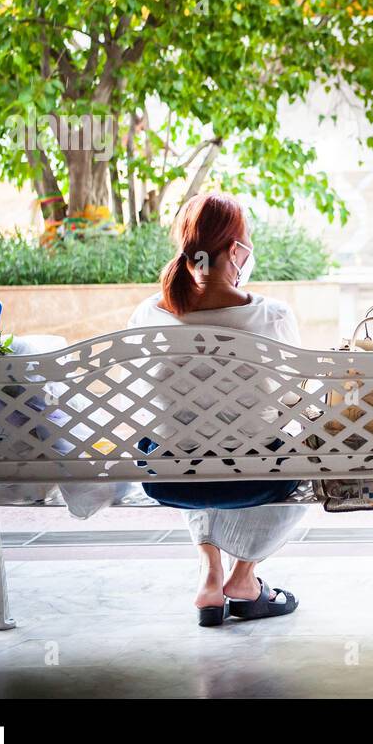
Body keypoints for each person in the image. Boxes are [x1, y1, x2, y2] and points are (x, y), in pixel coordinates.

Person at [128, 192, 306, 627]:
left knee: (186, 437)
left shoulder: (148, 314)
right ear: (234, 250)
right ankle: (244, 577)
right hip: (259, 479)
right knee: (293, 450)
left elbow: (141, 403)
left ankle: (211, 575)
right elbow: (296, 404)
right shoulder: (273, 316)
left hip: (168, 478)